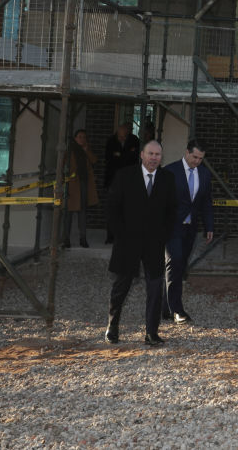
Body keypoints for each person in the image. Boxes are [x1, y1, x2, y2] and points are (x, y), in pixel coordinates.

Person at [104, 140, 177, 346]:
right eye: (150, 153)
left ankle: (151, 333)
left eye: (158, 155)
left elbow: (172, 211)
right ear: (142, 155)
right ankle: (112, 327)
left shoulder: (167, 179)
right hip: (128, 242)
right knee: (121, 287)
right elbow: (112, 208)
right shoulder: (125, 176)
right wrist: (121, 234)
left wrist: (163, 235)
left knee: (155, 288)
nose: (154, 158)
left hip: (154, 244)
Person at [161, 138, 214, 323]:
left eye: (200, 158)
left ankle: (165, 306)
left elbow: (206, 201)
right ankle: (177, 309)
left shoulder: (205, 174)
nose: (197, 161)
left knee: (180, 266)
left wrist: (209, 226)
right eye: (194, 157)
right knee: (174, 262)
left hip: (191, 228)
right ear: (186, 152)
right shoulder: (170, 171)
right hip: (171, 226)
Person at [63, 129, 98, 248]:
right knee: (69, 213)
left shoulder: (86, 150)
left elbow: (94, 160)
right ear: (75, 138)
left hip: (83, 184)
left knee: (82, 212)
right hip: (72, 186)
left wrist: (86, 150)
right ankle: (66, 239)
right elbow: (64, 166)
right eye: (80, 137)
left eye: (84, 137)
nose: (82, 139)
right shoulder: (69, 151)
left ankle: (83, 238)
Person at [104, 122, 141, 188]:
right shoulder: (111, 141)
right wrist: (126, 154)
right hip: (114, 174)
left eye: (125, 136)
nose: (123, 138)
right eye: (121, 136)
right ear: (117, 134)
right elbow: (108, 157)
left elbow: (134, 156)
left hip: (129, 173)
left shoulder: (134, 140)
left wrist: (120, 155)